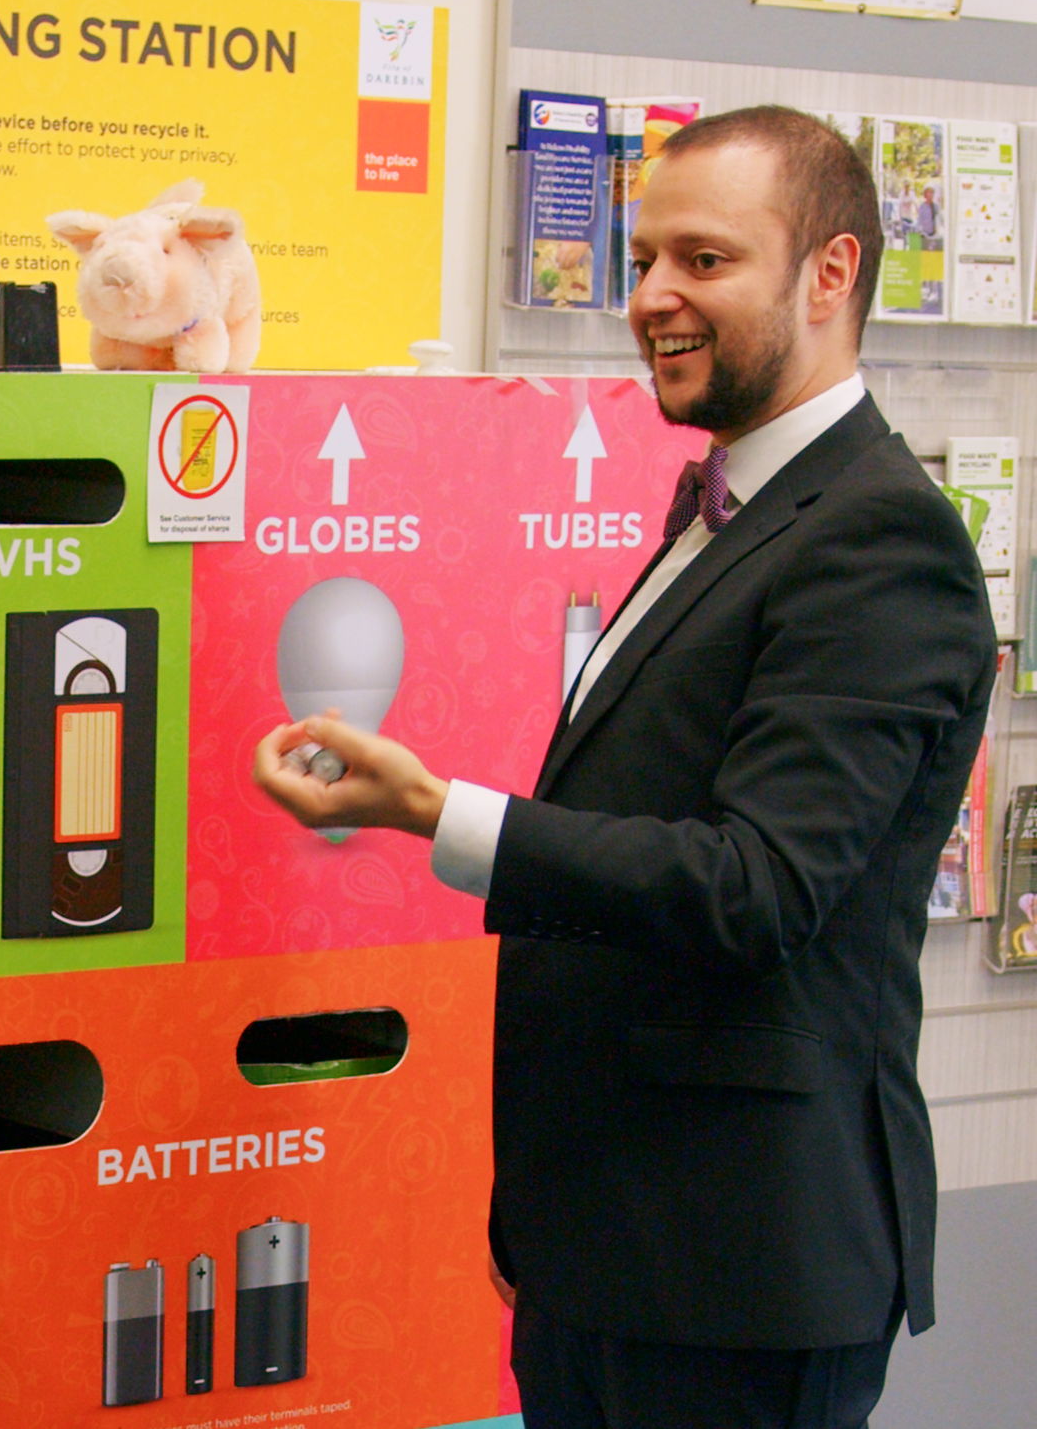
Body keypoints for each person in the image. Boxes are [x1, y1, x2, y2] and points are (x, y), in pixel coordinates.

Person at [254, 106, 996, 1429]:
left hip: (737, 1271)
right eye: (640, 258)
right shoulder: (724, 506)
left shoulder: (881, 539)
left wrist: (436, 812)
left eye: (704, 261)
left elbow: (757, 885)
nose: (650, 298)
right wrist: (549, 1216)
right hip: (612, 1245)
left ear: (830, 275)